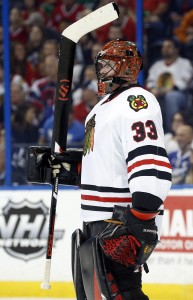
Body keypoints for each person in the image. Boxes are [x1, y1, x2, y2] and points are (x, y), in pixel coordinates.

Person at [32, 40, 172, 299]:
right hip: (94, 220)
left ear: (127, 67)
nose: (101, 71)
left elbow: (149, 160)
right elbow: (101, 162)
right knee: (95, 295)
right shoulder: (99, 109)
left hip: (122, 220)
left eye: (108, 65)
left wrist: (142, 217)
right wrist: (65, 167)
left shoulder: (136, 101)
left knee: (122, 294)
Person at [146, 38, 193, 133]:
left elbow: (185, 82)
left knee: (171, 96)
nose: (165, 49)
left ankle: (171, 133)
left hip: (180, 95)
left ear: (176, 49)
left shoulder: (185, 63)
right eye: (164, 47)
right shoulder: (157, 65)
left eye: (169, 46)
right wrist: (153, 89)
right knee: (147, 98)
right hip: (159, 95)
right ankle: (151, 132)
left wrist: (168, 89)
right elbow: (150, 82)